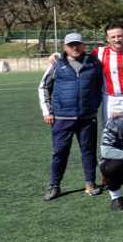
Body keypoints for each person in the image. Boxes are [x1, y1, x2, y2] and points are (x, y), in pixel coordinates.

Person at [38, 32, 105, 200]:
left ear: (83, 45)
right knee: (59, 152)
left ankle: (90, 183)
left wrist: (93, 105)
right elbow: (43, 87)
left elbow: (100, 86)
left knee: (88, 152)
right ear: (65, 47)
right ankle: (54, 185)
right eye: (70, 45)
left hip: (87, 117)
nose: (74, 47)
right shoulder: (56, 63)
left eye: (77, 44)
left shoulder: (94, 63)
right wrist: (47, 111)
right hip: (62, 118)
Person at [49, 23, 123, 118]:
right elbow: (78, 56)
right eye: (113, 37)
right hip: (111, 99)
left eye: (119, 36)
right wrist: (58, 55)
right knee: (111, 133)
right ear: (107, 39)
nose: (117, 39)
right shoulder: (99, 53)